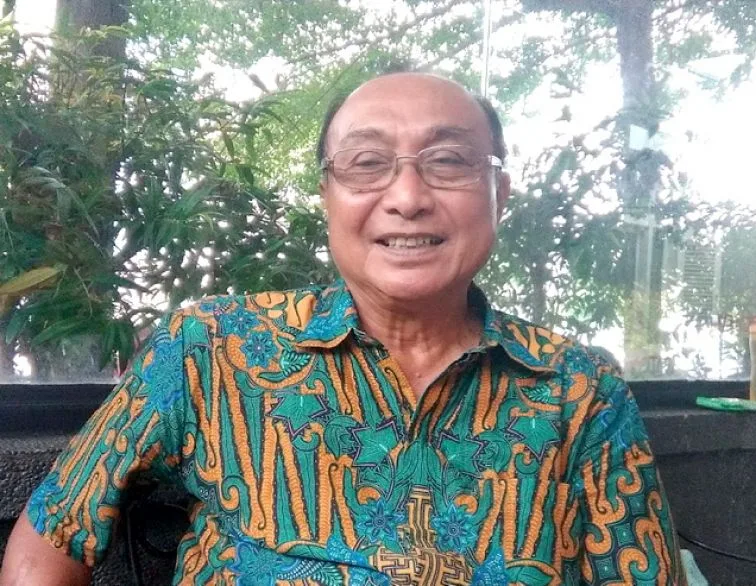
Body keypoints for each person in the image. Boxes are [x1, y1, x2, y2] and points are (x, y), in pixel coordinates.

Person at [0, 72, 686, 585]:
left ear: (498, 195)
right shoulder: (211, 348)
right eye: (366, 164)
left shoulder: (579, 390)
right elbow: (53, 532)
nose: (408, 197)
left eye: (449, 162)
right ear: (328, 196)